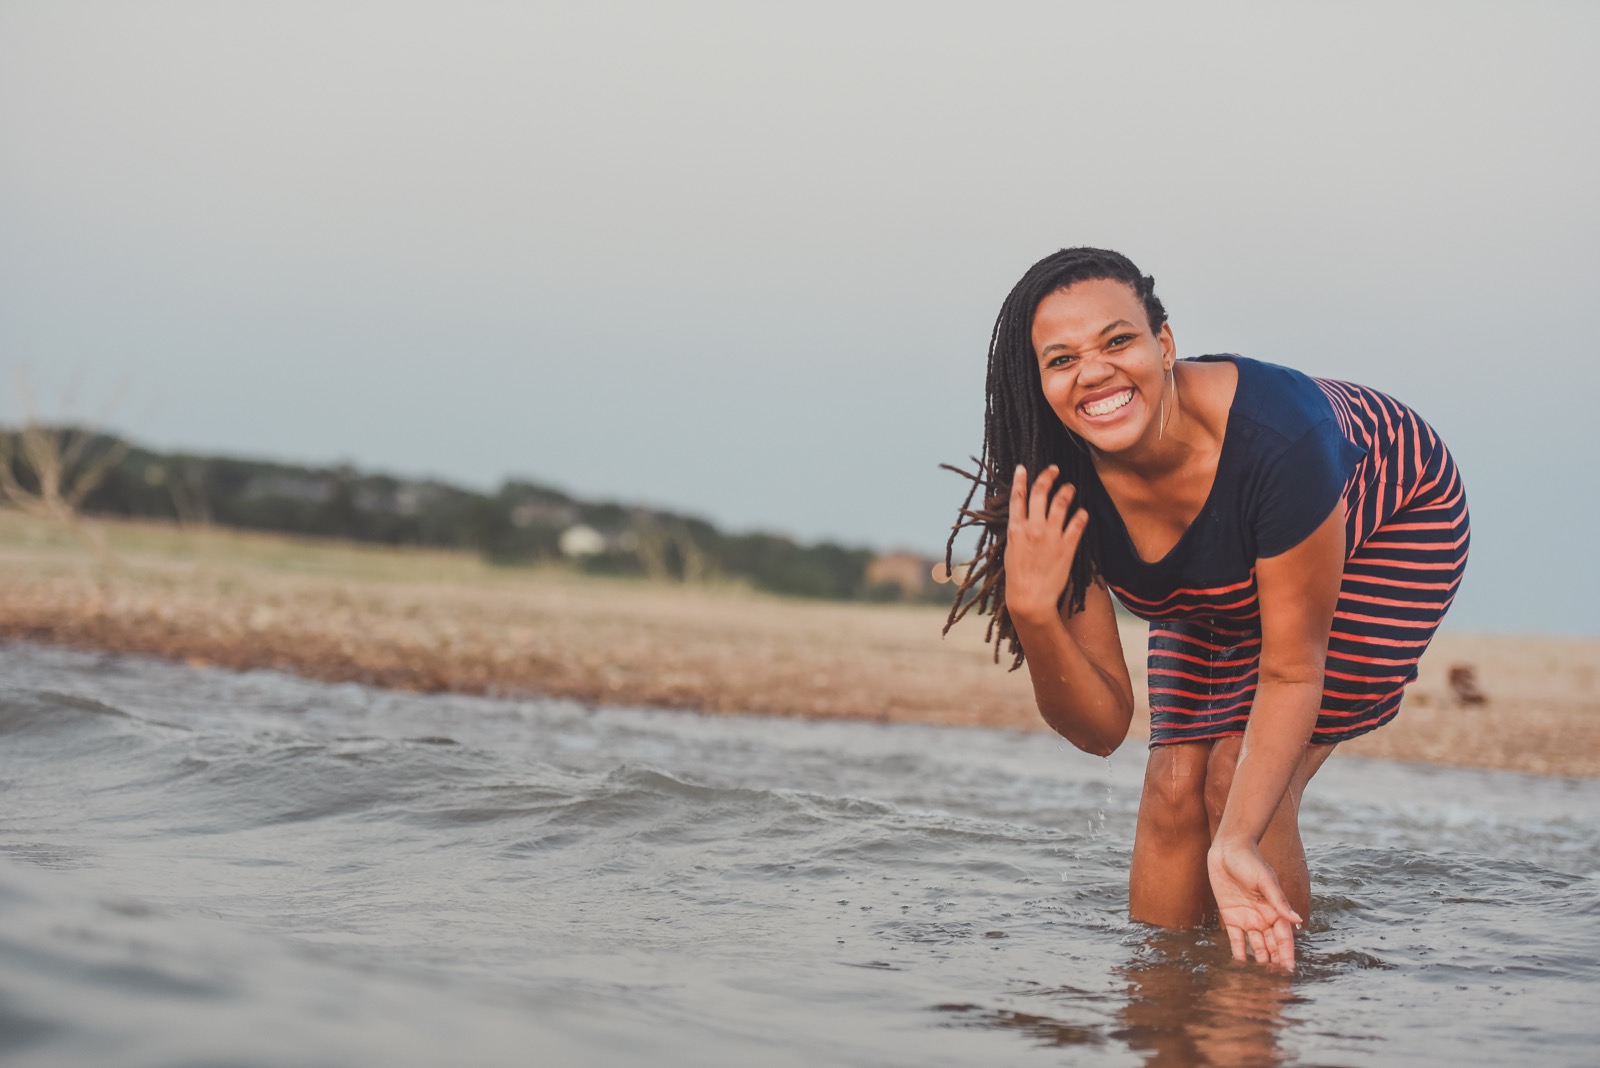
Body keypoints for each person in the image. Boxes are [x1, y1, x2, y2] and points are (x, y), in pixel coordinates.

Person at [944, 247, 1468, 970]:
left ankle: (1258, 1011)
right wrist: (1034, 614)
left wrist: (1237, 840)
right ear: (1039, 384)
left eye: (1118, 340)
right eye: (1061, 359)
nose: (1093, 372)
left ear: (1164, 345)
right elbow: (1101, 729)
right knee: (1173, 784)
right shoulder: (1059, 480)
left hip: (1392, 521)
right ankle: (1160, 1011)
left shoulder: (1282, 442)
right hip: (1219, 569)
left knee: (1239, 784)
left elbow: (1290, 673)